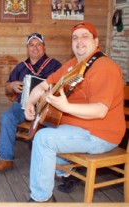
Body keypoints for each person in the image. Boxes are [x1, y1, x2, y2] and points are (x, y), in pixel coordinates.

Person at [24, 22, 125, 202]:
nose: (79, 41)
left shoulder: (105, 67)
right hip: (76, 128)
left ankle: (41, 199)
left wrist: (66, 107)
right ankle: (65, 174)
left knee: (44, 138)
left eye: (85, 36)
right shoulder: (73, 64)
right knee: (45, 128)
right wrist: (30, 103)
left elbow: (100, 111)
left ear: (96, 41)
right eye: (75, 38)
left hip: (100, 134)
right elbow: (43, 85)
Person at [0, 33, 62, 173]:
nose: (35, 48)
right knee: (7, 116)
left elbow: (61, 87)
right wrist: (12, 85)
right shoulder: (21, 67)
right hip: (22, 107)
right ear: (27, 48)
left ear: (44, 47)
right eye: (31, 45)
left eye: (38, 44)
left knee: (51, 123)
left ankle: (52, 164)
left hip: (46, 108)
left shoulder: (55, 65)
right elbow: (7, 86)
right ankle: (5, 158)